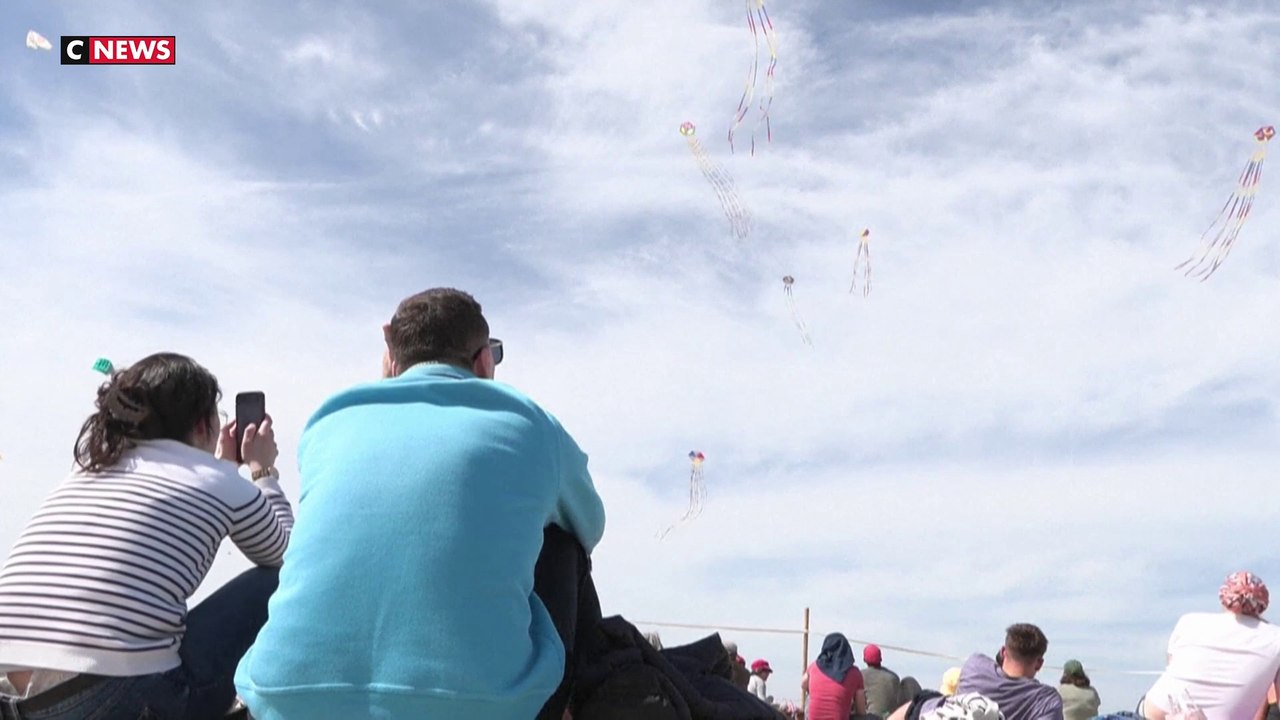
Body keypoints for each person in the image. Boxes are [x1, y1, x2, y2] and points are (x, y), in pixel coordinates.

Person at [234, 288, 607, 720]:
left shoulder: (328, 420)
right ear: (483, 361)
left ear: (390, 353)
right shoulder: (529, 422)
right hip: (479, 709)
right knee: (562, 541)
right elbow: (589, 524)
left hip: (283, 699)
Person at [0, 353, 293, 719]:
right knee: (279, 581)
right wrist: (262, 471)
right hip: (108, 700)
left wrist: (221, 467)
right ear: (202, 424)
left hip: (14, 699)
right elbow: (292, 558)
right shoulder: (220, 483)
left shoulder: (91, 468)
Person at [1141, 571, 1280, 720]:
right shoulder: (1275, 638)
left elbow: (1174, 669)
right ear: (1263, 604)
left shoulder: (1189, 621)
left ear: (1224, 599)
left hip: (1154, 714)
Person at [892, 624, 1062, 720]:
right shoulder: (1045, 699)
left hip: (934, 714)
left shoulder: (976, 664)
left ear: (1004, 651)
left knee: (923, 698)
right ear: (1039, 664)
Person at [804, 633, 867, 720]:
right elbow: (861, 711)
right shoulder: (854, 673)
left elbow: (803, 684)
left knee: (810, 695)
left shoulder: (814, 667)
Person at [862, 644, 902, 718]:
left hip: (870, 717)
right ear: (881, 658)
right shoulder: (894, 677)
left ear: (864, 659)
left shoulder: (861, 676)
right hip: (891, 717)